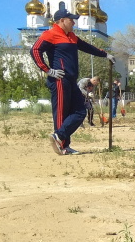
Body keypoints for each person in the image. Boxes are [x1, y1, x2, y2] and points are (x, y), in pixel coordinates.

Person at [31, 8, 114, 155]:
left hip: (71, 80)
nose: (74, 22)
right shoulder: (50, 34)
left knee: (80, 111)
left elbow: (87, 47)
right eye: (71, 20)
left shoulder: (71, 36)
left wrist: (105, 54)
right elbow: (35, 50)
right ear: (62, 20)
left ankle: (60, 137)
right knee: (61, 113)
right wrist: (48, 70)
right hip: (60, 80)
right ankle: (63, 146)